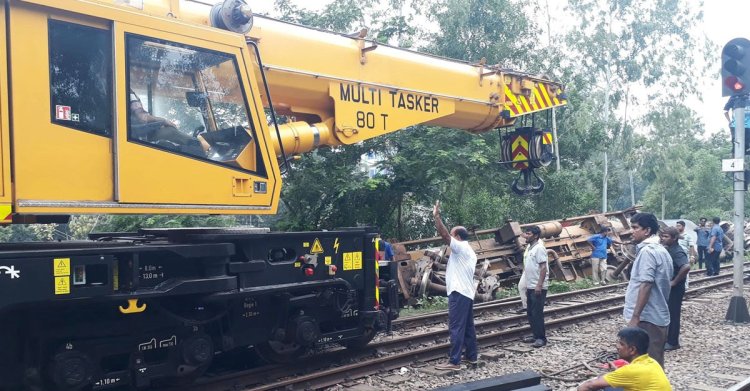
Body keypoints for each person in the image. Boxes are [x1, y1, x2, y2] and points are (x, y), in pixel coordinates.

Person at [432, 200, 478, 370]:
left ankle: (454, 362)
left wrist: (437, 217)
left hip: (459, 293)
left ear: (457, 237)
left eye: (453, 235)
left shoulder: (461, 248)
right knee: (467, 327)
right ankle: (472, 357)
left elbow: (444, 235)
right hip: (466, 293)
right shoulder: (469, 251)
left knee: (456, 327)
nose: (450, 239)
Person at [624, 212, 673, 368]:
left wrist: (635, 317)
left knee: (646, 365)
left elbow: (646, 284)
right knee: (654, 363)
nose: (632, 231)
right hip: (657, 314)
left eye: (635, 228)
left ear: (647, 230)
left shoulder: (648, 252)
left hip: (647, 319)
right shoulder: (661, 250)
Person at [576, 327, 672, 391]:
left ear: (632, 350)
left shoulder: (630, 371)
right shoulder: (652, 362)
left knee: (604, 386)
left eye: (622, 344)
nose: (617, 347)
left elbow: (588, 385)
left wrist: (579, 388)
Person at [129, 90, 206, 157]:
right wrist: (164, 121)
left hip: (136, 140)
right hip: (138, 138)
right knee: (170, 131)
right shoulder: (129, 92)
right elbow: (142, 118)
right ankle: (202, 148)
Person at [660, 227, 690, 351]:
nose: (663, 238)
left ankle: (673, 342)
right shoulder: (669, 249)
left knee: (673, 314)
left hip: (676, 289)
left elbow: (686, 267)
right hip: (670, 288)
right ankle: (667, 339)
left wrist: (674, 282)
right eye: (662, 236)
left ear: (674, 238)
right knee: (668, 313)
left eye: (666, 236)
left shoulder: (677, 251)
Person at [521, 226, 549, 348]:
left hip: (537, 286)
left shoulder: (539, 248)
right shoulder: (530, 248)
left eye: (528, 233)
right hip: (530, 285)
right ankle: (535, 335)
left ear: (536, 235)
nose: (526, 236)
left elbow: (543, 267)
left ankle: (541, 338)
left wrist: (539, 285)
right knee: (530, 312)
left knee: (537, 312)